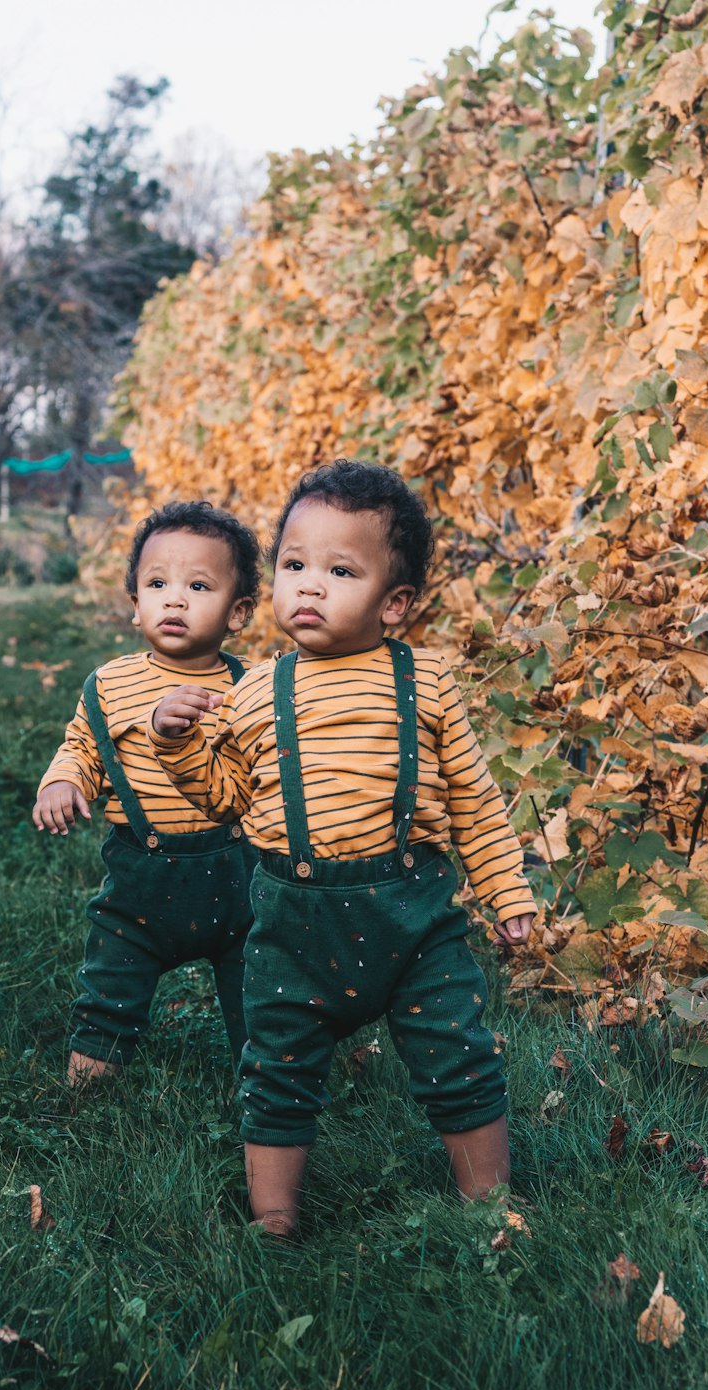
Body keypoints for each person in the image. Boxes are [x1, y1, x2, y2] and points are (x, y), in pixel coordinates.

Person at [148, 461, 536, 1236]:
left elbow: (473, 798)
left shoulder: (425, 682)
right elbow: (226, 797)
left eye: (340, 570)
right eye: (294, 565)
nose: (310, 586)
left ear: (394, 603)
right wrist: (178, 744)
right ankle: (275, 1217)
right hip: (293, 924)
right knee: (276, 1064)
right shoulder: (253, 691)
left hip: (413, 919)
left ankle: (490, 1205)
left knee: (456, 1050)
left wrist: (507, 891)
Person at [33, 500, 260, 1085]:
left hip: (238, 874)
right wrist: (62, 779)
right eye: (157, 583)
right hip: (141, 876)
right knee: (113, 976)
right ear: (136, 606)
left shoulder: (248, 686)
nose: (175, 599)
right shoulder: (110, 684)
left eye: (199, 585)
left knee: (259, 986)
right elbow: (82, 744)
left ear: (239, 613)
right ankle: (91, 1082)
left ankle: (266, 1076)